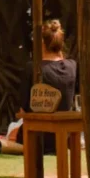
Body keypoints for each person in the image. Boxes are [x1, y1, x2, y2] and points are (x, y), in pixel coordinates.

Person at [12, 20, 78, 150]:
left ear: (41, 44)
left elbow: (23, 108)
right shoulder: (72, 66)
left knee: (12, 131)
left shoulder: (33, 68)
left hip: (36, 135)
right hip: (64, 135)